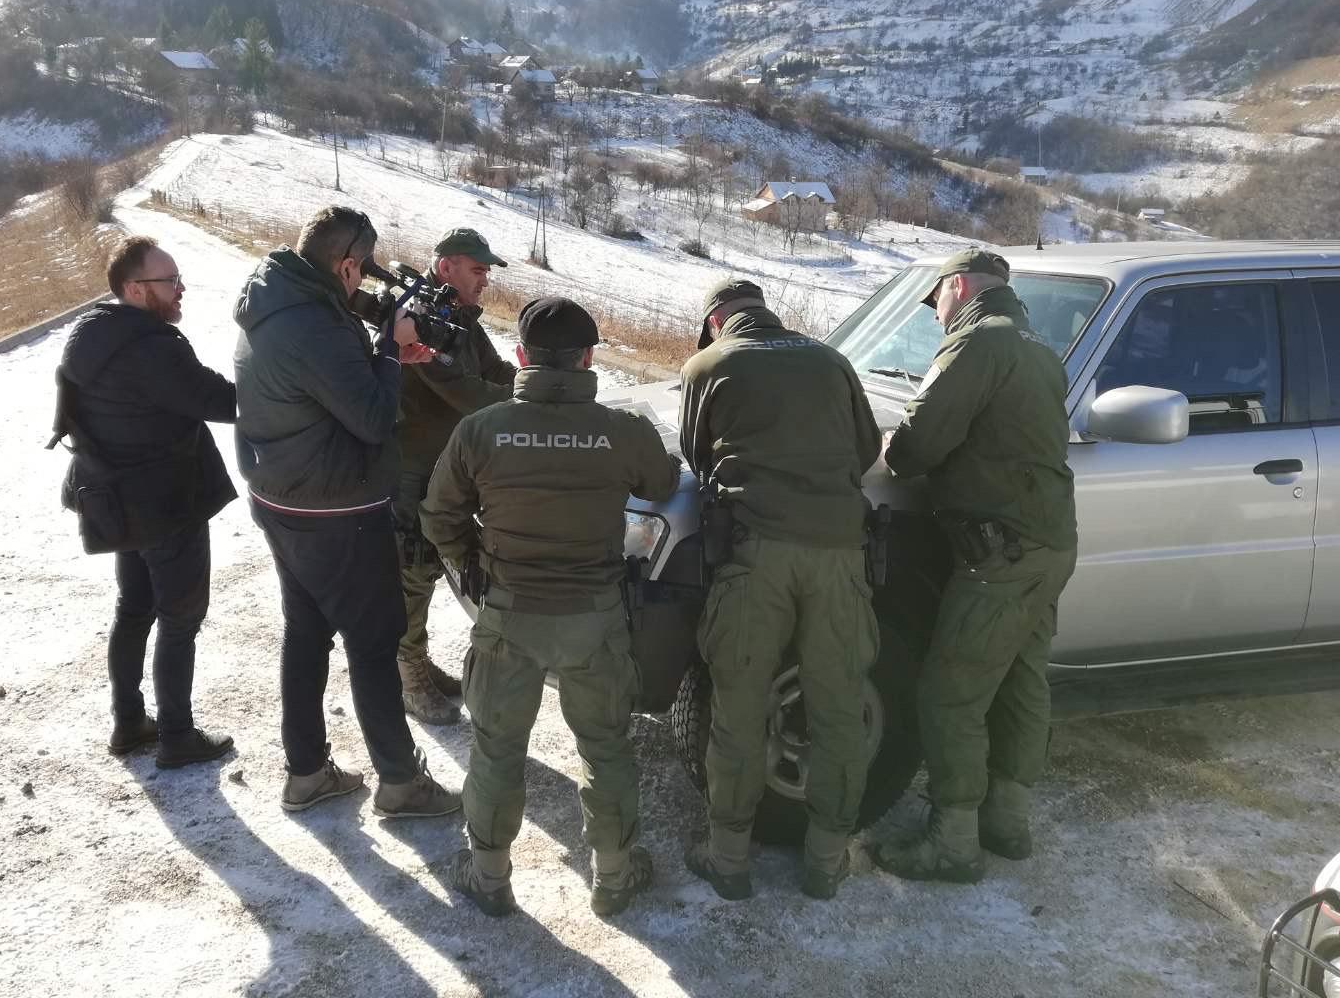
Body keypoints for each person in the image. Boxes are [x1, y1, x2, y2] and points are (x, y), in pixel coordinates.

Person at [421, 297, 680, 918]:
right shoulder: (623, 431)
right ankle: (614, 877)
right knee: (606, 747)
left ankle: (489, 877)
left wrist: (474, 564)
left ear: (520, 356)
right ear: (588, 357)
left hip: (509, 616)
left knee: (496, 748)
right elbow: (664, 485)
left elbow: (438, 517)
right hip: (594, 620)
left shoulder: (481, 430)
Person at [233, 205, 460, 820]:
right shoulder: (314, 323)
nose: (363, 286)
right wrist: (391, 350)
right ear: (347, 263)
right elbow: (373, 417)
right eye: (361, 273)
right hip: (336, 508)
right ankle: (399, 781)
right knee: (373, 640)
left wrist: (381, 360)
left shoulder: (277, 299)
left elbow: (328, 385)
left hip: (283, 496)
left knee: (306, 632)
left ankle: (306, 773)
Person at [873, 248, 1077, 883]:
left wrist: (883, 447)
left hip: (1000, 553)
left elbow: (914, 447)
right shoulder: (1037, 345)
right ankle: (1007, 823)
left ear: (956, 286)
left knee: (949, 693)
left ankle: (953, 842)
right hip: (1049, 544)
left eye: (935, 300)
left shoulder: (977, 344)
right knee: (1020, 681)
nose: (936, 314)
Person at [678, 278, 882, 901]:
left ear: (716, 321)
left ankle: (728, 858)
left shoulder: (708, 364)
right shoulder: (831, 359)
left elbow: (694, 453)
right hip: (839, 555)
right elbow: (868, 448)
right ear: (767, 311)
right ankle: (826, 861)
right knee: (840, 705)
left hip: (754, 555)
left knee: (738, 705)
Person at [50, 235, 238, 768]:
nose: (181, 290)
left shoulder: (93, 335)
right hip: (164, 505)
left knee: (133, 610)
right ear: (134, 289)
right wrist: (285, 389)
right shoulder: (151, 348)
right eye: (169, 281)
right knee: (179, 619)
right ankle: (177, 735)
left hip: (114, 501)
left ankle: (129, 722)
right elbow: (219, 399)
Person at [393, 227, 517, 726]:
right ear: (446, 267)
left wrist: (536, 383)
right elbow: (464, 391)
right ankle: (407, 674)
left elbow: (494, 369)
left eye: (486, 270)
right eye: (478, 269)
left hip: (447, 463)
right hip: (412, 465)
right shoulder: (418, 318)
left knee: (443, 562)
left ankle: (416, 661)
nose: (485, 279)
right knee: (413, 571)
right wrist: (524, 401)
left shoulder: (459, 315)